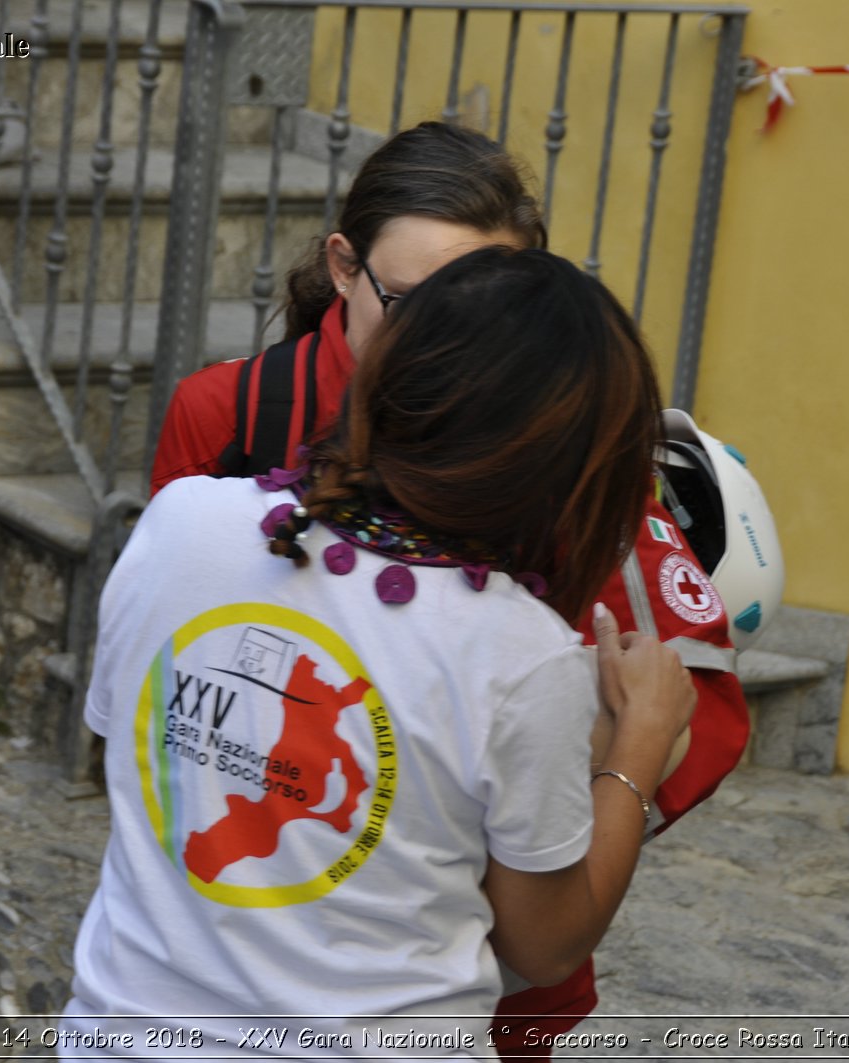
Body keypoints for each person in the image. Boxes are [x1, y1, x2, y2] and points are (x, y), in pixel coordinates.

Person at [150, 120, 751, 1055]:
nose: (457, 347)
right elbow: (179, 673)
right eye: (420, 305)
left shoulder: (564, 449)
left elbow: (692, 694)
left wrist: (546, 809)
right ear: (344, 269)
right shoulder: (219, 434)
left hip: (474, 961)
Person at [66, 247, 692, 1054]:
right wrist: (640, 745)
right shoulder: (520, 652)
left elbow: (136, 750)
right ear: (567, 468)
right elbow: (544, 946)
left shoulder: (181, 520)